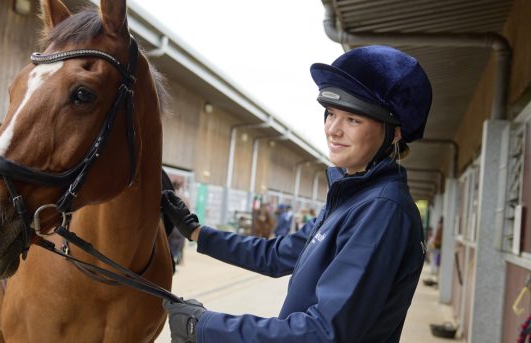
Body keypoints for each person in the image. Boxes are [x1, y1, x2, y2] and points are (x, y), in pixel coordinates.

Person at [160, 45, 432, 342]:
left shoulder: (382, 211)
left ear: (394, 133)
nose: (334, 130)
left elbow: (324, 333)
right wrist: (196, 231)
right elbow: (275, 255)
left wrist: (205, 326)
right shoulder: (352, 197)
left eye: (353, 120)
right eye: (331, 114)